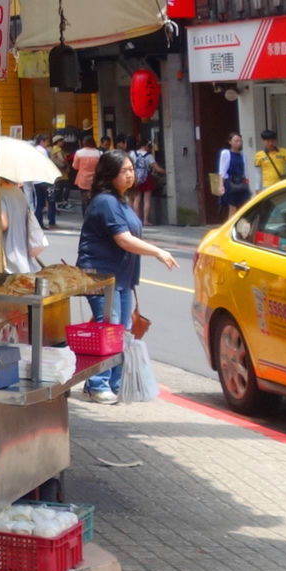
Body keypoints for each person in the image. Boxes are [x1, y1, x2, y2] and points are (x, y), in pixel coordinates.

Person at [76, 151, 178, 403]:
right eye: (125, 170)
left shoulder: (120, 200)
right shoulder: (105, 202)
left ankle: (117, 381)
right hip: (100, 276)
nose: (130, 174)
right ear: (110, 174)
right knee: (108, 326)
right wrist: (157, 251)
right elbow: (123, 239)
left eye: (131, 169)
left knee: (123, 330)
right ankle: (96, 383)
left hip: (120, 277)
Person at [0, 178, 44, 274]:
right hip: (22, 254)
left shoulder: (0, 194)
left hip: (11, 258)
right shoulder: (18, 192)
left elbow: (3, 224)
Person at [129, 139, 165, 226]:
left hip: (136, 178)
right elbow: (156, 168)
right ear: (145, 146)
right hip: (146, 178)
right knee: (147, 200)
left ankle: (136, 220)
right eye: (148, 146)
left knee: (137, 199)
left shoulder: (132, 153)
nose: (149, 148)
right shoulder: (149, 156)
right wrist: (166, 171)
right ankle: (145, 220)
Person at [217, 132, 251, 219]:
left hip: (241, 182)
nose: (238, 143)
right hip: (231, 183)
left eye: (240, 141)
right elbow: (222, 170)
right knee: (232, 207)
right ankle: (230, 228)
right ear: (230, 142)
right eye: (236, 141)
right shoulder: (226, 153)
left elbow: (246, 171)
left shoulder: (243, 155)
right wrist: (221, 185)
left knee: (245, 206)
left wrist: (247, 183)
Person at [31, 133, 56, 229]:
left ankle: (39, 222)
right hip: (44, 179)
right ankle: (51, 220)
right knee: (50, 200)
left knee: (38, 202)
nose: (48, 144)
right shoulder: (43, 151)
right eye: (47, 142)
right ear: (42, 141)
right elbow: (47, 164)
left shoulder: (34, 150)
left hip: (35, 180)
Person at [72, 134, 101, 215]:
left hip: (83, 180)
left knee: (84, 200)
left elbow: (75, 167)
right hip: (95, 180)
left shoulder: (79, 153)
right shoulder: (99, 153)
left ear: (84, 142)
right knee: (95, 199)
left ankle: (86, 217)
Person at [50, 134, 72, 210]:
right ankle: (64, 202)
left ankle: (59, 203)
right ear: (57, 142)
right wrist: (66, 165)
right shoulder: (58, 149)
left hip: (57, 172)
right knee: (66, 187)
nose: (63, 142)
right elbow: (61, 159)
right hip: (62, 172)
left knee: (59, 188)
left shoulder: (53, 149)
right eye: (61, 141)